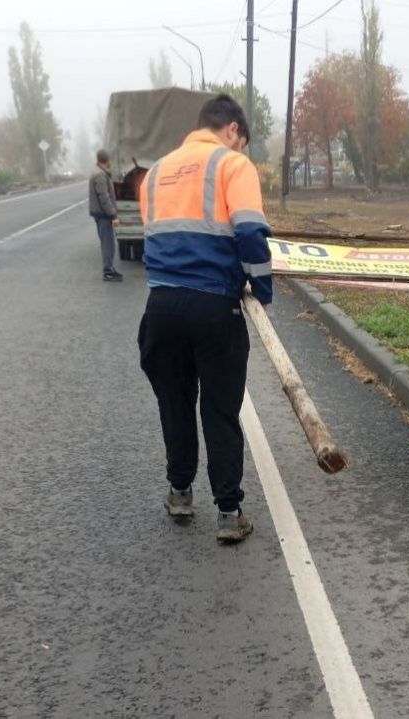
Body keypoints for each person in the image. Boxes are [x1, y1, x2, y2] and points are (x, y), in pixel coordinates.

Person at [137, 94, 272, 543]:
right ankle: (230, 514)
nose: (241, 151)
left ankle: (179, 493)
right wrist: (262, 287)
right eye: (242, 142)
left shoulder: (154, 174)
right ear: (232, 129)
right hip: (213, 307)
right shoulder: (233, 167)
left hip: (160, 307)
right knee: (219, 408)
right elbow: (251, 233)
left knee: (174, 404)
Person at [88, 149, 122, 282]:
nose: (111, 162)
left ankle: (110, 269)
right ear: (107, 160)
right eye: (110, 160)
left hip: (102, 215)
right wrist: (113, 215)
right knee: (108, 244)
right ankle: (108, 271)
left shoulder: (99, 173)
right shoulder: (100, 175)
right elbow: (104, 198)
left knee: (108, 243)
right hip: (103, 215)